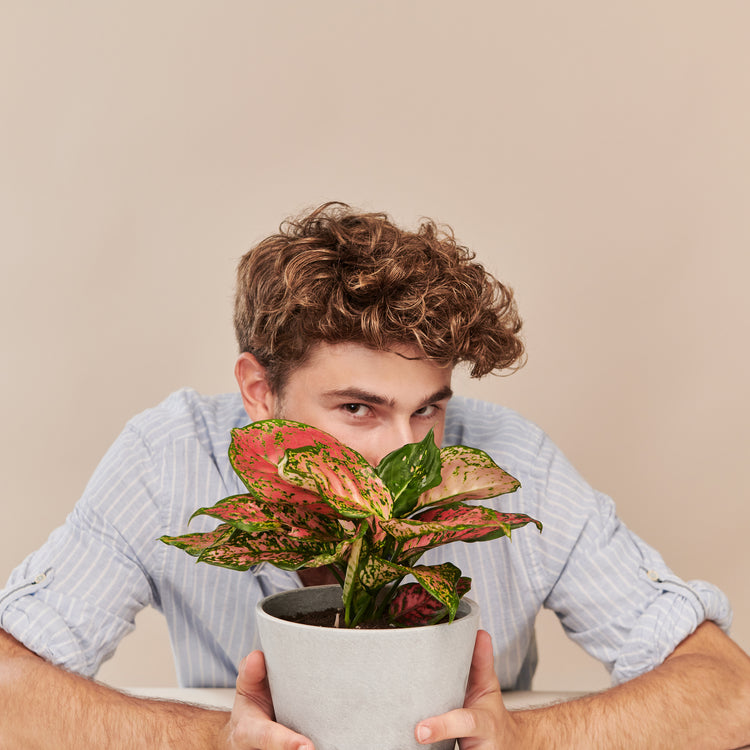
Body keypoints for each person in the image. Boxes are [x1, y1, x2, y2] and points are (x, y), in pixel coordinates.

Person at [1, 202, 748, 749]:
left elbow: (729, 694)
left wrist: (524, 740)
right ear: (259, 391)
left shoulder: (506, 466)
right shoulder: (169, 457)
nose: (404, 453)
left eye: (429, 409)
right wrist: (218, 741)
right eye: (359, 408)